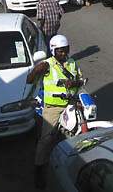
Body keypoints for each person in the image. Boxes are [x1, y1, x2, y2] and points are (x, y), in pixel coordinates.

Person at [26, 35, 84, 190]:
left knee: (81, 135)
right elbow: (29, 80)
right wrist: (35, 70)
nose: (64, 54)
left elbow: (82, 81)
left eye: (66, 50)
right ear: (53, 50)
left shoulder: (72, 63)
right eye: (60, 51)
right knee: (46, 140)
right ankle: (38, 171)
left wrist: (75, 83)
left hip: (71, 103)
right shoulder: (47, 65)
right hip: (53, 107)